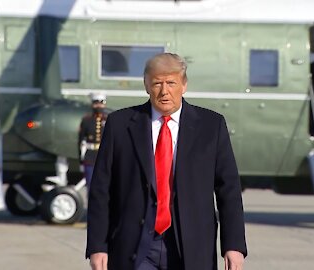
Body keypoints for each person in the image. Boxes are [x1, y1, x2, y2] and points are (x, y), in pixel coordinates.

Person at [86, 53, 247, 270]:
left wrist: (233, 245)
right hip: (134, 246)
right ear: (146, 85)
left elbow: (228, 189)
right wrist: (97, 246)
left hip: (191, 246)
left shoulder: (211, 126)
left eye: (171, 83)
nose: (164, 91)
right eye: (157, 84)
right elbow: (101, 189)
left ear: (184, 85)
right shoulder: (119, 125)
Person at [78, 92, 108, 190]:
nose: (99, 105)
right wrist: (81, 161)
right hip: (90, 157)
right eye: (96, 102)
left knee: (105, 186)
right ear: (92, 104)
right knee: (90, 186)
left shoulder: (109, 120)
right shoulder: (86, 120)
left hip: (105, 157)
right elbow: (81, 140)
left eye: (101, 102)